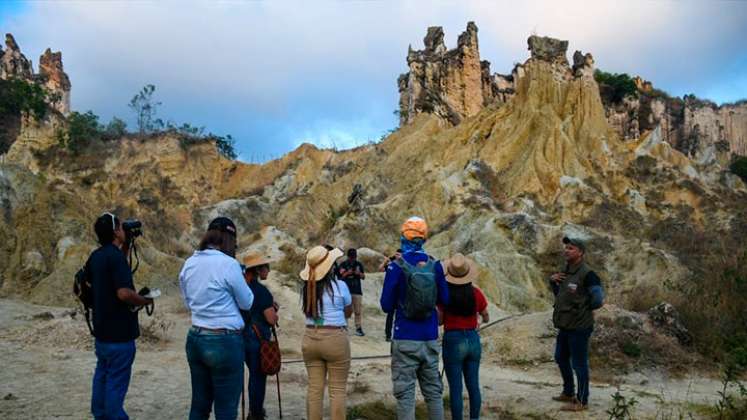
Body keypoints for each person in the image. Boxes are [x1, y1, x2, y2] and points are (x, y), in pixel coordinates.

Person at [179, 217, 254, 420]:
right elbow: (247, 302)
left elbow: (188, 303)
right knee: (226, 410)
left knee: (199, 407)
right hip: (225, 340)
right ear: (229, 239)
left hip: (196, 337)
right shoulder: (229, 265)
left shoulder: (190, 263)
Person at [380, 216, 449, 420]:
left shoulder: (396, 266)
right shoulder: (434, 265)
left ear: (403, 237)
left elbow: (385, 306)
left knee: (406, 396)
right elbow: (445, 298)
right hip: (429, 337)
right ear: (424, 238)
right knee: (434, 394)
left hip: (405, 337)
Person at [88, 212, 152, 420]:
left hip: (102, 332)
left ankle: (100, 415)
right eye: (122, 226)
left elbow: (109, 273)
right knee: (116, 382)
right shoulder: (115, 258)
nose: (125, 230)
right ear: (116, 231)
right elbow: (123, 292)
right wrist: (143, 301)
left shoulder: (96, 256)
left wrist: (127, 244)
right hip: (120, 336)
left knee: (102, 375)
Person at [550, 236, 605, 412]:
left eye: (571, 248)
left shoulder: (588, 274)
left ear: (581, 252)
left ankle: (582, 401)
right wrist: (553, 282)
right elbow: (561, 295)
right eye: (566, 247)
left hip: (579, 327)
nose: (566, 250)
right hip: (565, 325)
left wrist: (584, 308)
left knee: (579, 364)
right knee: (560, 357)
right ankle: (568, 392)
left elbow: (597, 298)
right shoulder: (566, 271)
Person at [300, 245, 352, 420]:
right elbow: (348, 312)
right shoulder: (341, 286)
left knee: (314, 389)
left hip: (310, 337)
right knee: (337, 390)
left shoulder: (307, 288)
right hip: (334, 337)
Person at [438, 253, 489, 420]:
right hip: (473, 338)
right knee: (473, 386)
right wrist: (479, 320)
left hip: (453, 339)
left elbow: (439, 320)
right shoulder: (476, 293)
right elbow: (486, 316)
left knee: (456, 388)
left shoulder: (444, 293)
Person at [240, 254, 278, 420]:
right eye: (266, 266)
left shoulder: (241, 287)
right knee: (257, 377)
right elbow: (270, 319)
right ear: (258, 270)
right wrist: (275, 311)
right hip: (257, 338)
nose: (268, 269)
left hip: (239, 336)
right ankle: (255, 414)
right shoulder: (262, 291)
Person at [338, 248, 366, 336]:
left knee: (358, 311)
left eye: (354, 257)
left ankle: (358, 327)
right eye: (351, 257)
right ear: (348, 256)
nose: (353, 259)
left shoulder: (358, 264)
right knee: (346, 310)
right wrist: (347, 273)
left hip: (357, 290)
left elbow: (363, 276)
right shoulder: (343, 264)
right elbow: (340, 277)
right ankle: (344, 326)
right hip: (346, 290)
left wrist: (359, 274)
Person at [378, 248, 402, 342]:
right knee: (390, 315)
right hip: (391, 294)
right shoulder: (391, 265)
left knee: (399, 315)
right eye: (396, 255)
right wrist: (386, 260)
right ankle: (388, 335)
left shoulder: (404, 266)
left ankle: (397, 334)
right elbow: (380, 269)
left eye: (399, 255)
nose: (397, 256)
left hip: (399, 294)